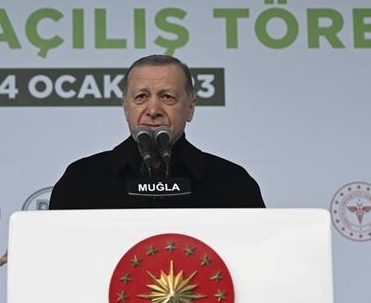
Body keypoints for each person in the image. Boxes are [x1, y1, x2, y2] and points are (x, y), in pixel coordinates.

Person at [47, 54, 264, 209]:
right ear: (125, 107)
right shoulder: (81, 179)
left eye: (167, 97)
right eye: (141, 97)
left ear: (190, 108)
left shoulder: (232, 182)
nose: (153, 110)